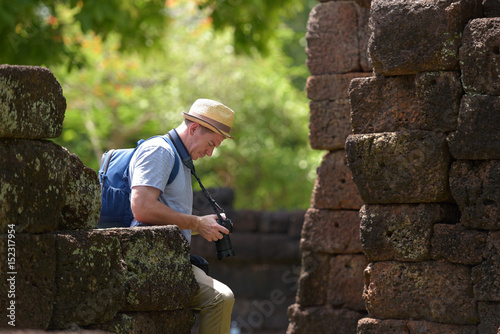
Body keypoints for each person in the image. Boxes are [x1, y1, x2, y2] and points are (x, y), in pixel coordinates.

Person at [128, 98, 236, 334]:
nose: (210, 153)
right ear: (194, 128)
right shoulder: (160, 151)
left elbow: (165, 218)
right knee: (221, 298)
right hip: (148, 259)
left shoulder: (180, 159)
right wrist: (196, 222)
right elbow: (142, 208)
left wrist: (204, 226)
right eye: (210, 144)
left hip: (167, 257)